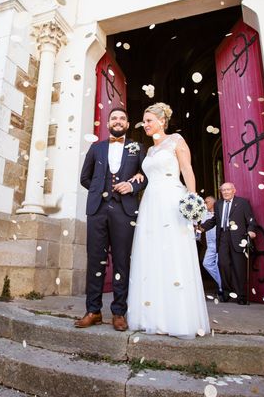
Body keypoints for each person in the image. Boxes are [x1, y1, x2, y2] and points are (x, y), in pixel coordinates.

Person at [127, 103, 209, 339]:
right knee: (151, 254)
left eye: (150, 120)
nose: (146, 125)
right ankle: (151, 316)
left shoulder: (176, 141)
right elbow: (148, 174)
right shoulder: (150, 151)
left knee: (172, 253)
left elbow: (187, 169)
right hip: (150, 202)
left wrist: (192, 199)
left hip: (172, 200)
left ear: (162, 121)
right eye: (144, 121)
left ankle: (177, 318)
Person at [75, 107, 147, 331]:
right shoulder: (96, 147)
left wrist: (131, 185)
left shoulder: (137, 148)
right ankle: (93, 311)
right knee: (95, 260)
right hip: (97, 210)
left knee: (122, 261)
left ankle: (118, 312)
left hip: (125, 211)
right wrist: (99, 190)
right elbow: (84, 178)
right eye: (114, 118)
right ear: (108, 124)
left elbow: (147, 176)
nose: (118, 121)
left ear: (127, 123)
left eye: (122, 118)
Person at [202, 182, 257, 305]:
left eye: (228, 190)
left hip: (238, 238)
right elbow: (214, 220)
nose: (226, 192)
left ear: (234, 190)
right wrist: (202, 228)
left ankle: (241, 295)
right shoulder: (218, 204)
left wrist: (251, 230)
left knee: (239, 267)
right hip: (223, 237)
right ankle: (227, 293)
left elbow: (251, 220)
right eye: (223, 190)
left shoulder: (242, 203)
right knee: (223, 265)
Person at [197, 195, 223, 299]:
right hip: (210, 244)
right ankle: (223, 284)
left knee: (218, 264)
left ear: (214, 203)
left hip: (220, 242)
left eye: (207, 202)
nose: (204, 203)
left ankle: (222, 288)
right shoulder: (203, 214)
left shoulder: (220, 213)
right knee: (206, 263)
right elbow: (198, 226)